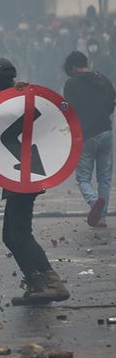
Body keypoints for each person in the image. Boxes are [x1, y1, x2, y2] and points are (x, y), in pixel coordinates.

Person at [0, 58, 69, 305]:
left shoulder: (16, 101)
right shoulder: (12, 100)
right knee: (11, 234)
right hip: (18, 175)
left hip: (25, 175)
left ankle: (52, 282)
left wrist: (26, 92)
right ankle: (37, 282)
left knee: (19, 233)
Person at [63, 50, 115, 228]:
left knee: (83, 177)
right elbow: (111, 104)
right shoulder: (103, 79)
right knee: (105, 178)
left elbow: (66, 108)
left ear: (73, 68)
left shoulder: (71, 84)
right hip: (106, 132)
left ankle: (94, 202)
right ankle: (102, 217)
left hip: (85, 135)